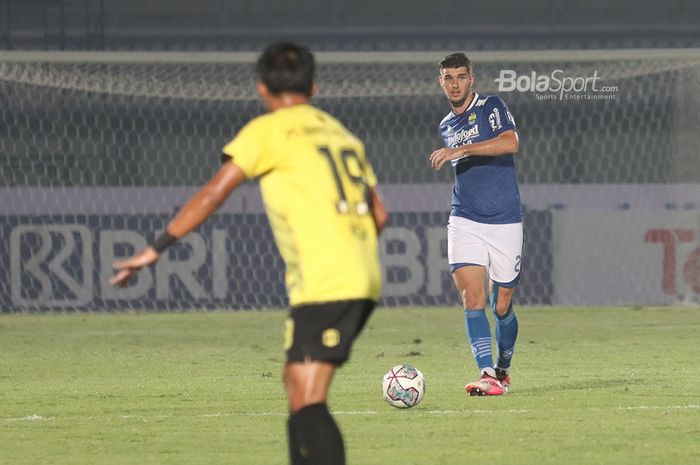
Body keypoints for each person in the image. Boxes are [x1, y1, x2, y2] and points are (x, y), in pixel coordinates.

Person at [111, 42, 387, 465]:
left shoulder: (267, 130)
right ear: (313, 85)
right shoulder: (341, 133)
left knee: (310, 395)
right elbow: (380, 216)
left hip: (327, 280)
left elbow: (214, 192)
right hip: (357, 272)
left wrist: (156, 249)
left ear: (261, 88)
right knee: (296, 384)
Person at [429, 52, 522, 396]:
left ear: (472, 79)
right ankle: (487, 374)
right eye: (448, 78)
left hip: (504, 219)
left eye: (461, 77)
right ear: (441, 82)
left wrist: (460, 150)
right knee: (472, 295)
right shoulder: (445, 124)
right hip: (464, 217)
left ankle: (503, 367)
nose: (455, 84)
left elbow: (511, 142)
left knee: (502, 305)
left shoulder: (490, 107)